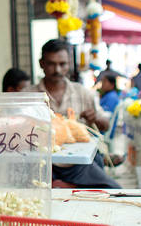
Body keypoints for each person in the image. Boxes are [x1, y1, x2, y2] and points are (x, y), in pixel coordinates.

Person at [28, 39, 120, 189]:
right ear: (41, 64)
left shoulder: (82, 92)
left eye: (62, 64)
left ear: (69, 64)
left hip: (78, 165)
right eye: (51, 64)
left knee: (113, 190)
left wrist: (95, 118)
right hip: (42, 164)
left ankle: (67, 185)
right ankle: (66, 186)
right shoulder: (28, 96)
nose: (57, 69)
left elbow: (106, 125)